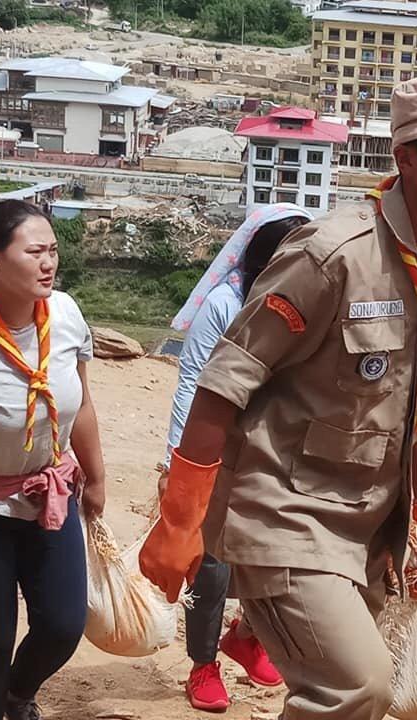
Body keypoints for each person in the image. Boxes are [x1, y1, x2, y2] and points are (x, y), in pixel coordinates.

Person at [140, 72, 417, 720]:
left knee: (346, 691)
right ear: (408, 156)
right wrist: (180, 518)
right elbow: (224, 381)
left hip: (371, 527)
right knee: (356, 687)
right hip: (286, 510)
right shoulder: (332, 253)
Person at [161, 204, 311, 711]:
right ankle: (203, 665)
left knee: (278, 557)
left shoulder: (305, 302)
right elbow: (192, 380)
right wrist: (176, 467)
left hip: (273, 453)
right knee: (213, 567)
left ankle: (247, 637)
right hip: (215, 452)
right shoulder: (226, 304)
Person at [0, 200, 108, 720]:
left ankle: (19, 691)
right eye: (34, 251)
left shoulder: (64, 312)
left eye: (53, 251)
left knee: (62, 624)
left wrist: (96, 477)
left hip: (51, 494)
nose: (48, 263)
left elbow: (79, 401)